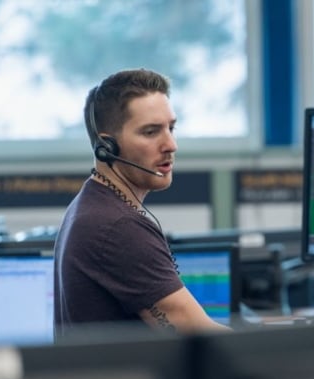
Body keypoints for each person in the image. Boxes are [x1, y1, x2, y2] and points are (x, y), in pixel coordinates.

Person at [54, 68, 230, 336]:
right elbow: (202, 338)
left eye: (171, 128)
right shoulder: (118, 227)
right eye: (151, 132)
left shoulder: (92, 204)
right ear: (107, 147)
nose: (171, 145)